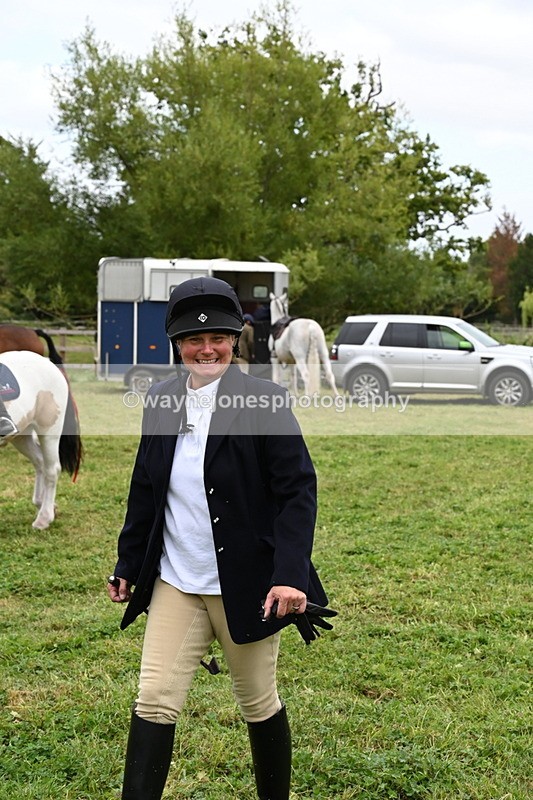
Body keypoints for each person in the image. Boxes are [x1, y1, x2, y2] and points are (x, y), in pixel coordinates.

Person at [107, 276, 331, 800]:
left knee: (257, 700)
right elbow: (146, 487)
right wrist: (128, 561)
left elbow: (298, 491)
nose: (206, 349)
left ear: (235, 340)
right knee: (154, 699)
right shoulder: (160, 400)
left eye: (218, 339)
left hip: (248, 584)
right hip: (177, 582)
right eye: (193, 340)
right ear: (176, 344)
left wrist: (290, 575)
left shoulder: (265, 402)